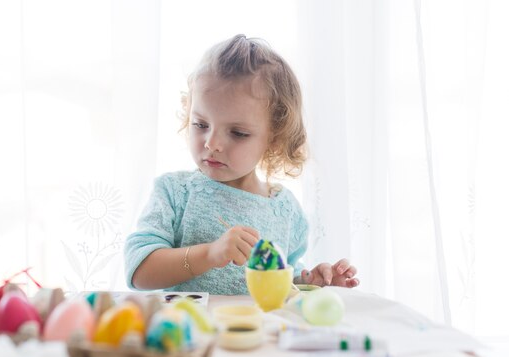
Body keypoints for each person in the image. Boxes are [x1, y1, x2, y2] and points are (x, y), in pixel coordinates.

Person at [124, 34, 359, 295]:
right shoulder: (175, 192)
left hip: (253, 334)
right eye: (201, 124)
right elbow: (138, 271)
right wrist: (209, 254)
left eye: (237, 133)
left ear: (274, 138)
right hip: (187, 332)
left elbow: (282, 283)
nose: (212, 143)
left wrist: (310, 281)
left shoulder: (285, 210)